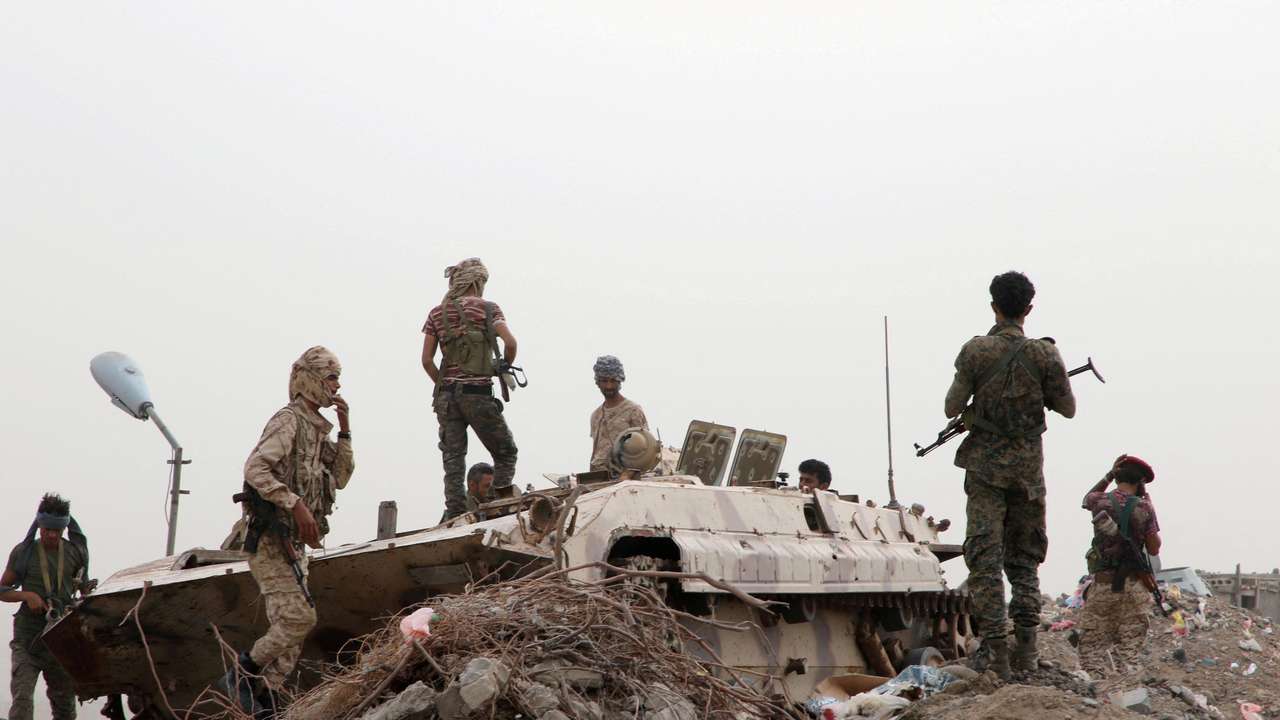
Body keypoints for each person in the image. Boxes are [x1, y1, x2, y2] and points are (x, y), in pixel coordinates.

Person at [943, 271, 1076, 679]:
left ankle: (997, 653)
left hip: (985, 473)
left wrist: (978, 410)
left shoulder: (976, 351)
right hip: (1027, 477)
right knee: (1024, 562)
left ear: (993, 306)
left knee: (985, 561)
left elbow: (951, 407)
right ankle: (1028, 653)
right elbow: (1067, 408)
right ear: (1029, 309)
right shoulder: (1046, 355)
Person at [216, 346, 354, 715]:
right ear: (310, 379)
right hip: (270, 540)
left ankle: (267, 695)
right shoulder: (288, 421)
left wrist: (345, 430)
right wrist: (294, 502)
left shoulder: (315, 429)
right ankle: (242, 674)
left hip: (294, 545)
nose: (336, 385)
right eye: (331, 377)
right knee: (299, 618)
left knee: (292, 631)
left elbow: (339, 477)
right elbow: (255, 469)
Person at [422, 258, 519, 518]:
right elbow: (510, 343)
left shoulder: (436, 313)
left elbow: (427, 361)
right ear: (478, 281)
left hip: (446, 399)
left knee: (453, 459)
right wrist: (502, 366)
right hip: (478, 394)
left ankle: (455, 513)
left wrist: (445, 386)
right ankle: (498, 507)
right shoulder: (488, 309)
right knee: (506, 452)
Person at [1, 494, 88, 720]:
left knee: (65, 706)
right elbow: (3, 589)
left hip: (60, 639)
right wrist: (27, 595)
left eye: (56, 530)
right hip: (27, 640)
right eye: (47, 529)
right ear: (39, 525)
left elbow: (84, 588)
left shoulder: (75, 553)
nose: (51, 534)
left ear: (63, 529)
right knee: (22, 699)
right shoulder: (24, 552)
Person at [1077, 455, 1161, 677]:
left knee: (1091, 650)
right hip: (1133, 588)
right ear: (1140, 482)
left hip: (1102, 586)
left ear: (1117, 476)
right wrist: (1149, 511)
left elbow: (1086, 498)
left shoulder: (1099, 501)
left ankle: (1093, 694)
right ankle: (1126, 694)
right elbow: (1154, 549)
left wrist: (1107, 475)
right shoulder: (1145, 508)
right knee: (1129, 650)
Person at [589, 355, 648, 474]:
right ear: (598, 382)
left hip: (624, 479)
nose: (609, 386)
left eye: (613, 381)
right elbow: (596, 453)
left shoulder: (633, 410)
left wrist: (628, 475)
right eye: (604, 381)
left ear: (620, 381)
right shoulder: (596, 415)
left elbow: (644, 449)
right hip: (599, 479)